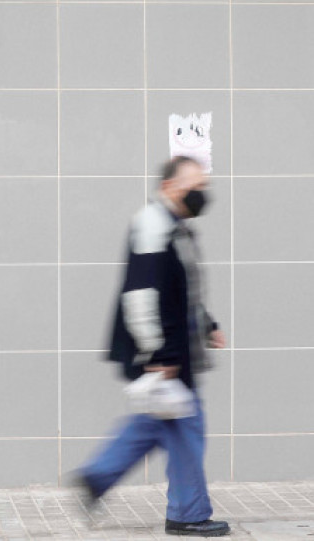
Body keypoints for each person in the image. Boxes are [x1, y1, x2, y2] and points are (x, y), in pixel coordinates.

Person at [77, 156, 230, 538]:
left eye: (204, 185)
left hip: (176, 352)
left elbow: (183, 290)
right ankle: (187, 513)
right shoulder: (152, 226)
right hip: (165, 355)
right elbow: (142, 295)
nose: (202, 192)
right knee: (184, 429)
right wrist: (156, 354)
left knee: (161, 427)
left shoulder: (176, 228)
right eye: (195, 185)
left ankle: (98, 478)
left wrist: (206, 324)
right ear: (168, 187)